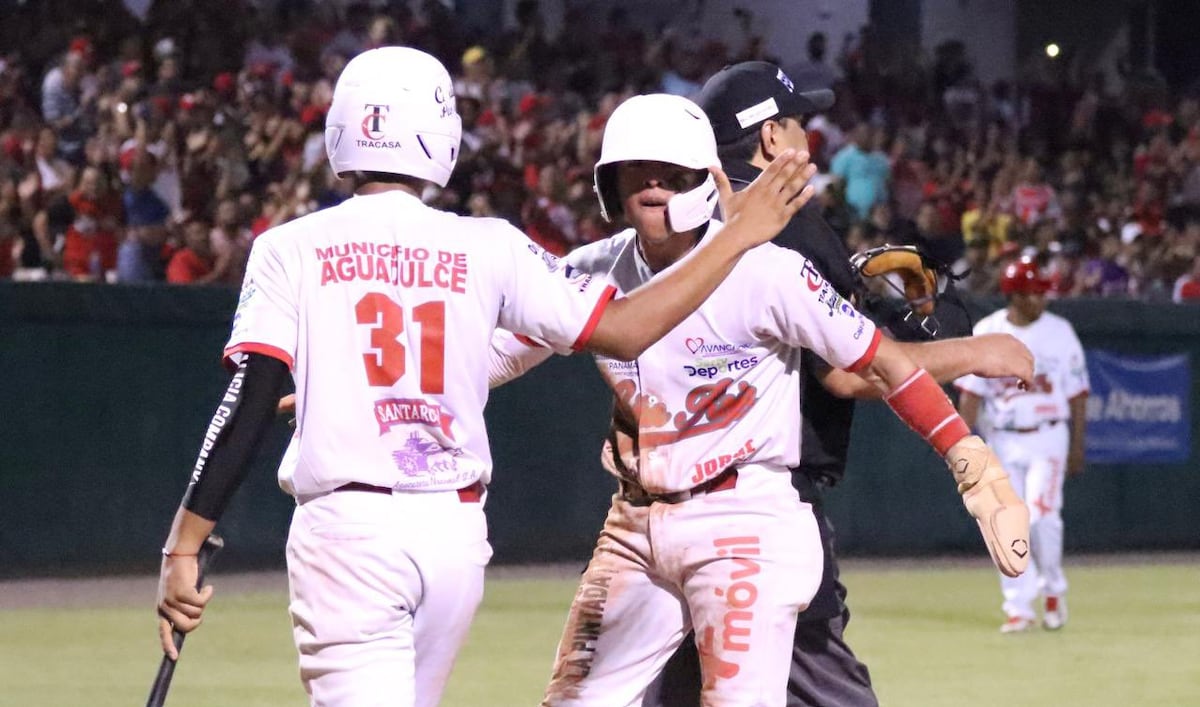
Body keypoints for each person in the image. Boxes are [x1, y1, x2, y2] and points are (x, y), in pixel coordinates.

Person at [153, 46, 820, 707]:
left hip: (348, 530)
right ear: (440, 134)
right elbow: (625, 328)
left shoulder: (288, 247)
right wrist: (734, 238)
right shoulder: (491, 244)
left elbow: (249, 399)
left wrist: (185, 543)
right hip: (453, 533)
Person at [488, 92, 1031, 706]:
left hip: (744, 519)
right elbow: (492, 359)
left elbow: (882, 364)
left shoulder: (770, 270)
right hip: (634, 525)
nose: (654, 184)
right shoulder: (591, 268)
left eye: (672, 171)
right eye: (635, 170)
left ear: (706, 178)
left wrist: (973, 464)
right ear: (608, 184)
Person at [641, 60, 1021, 707]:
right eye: (797, 123)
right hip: (758, 504)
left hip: (657, 509)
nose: (807, 138)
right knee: (824, 686)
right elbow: (848, 370)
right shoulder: (787, 222)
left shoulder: (675, 223)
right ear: (769, 138)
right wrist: (976, 351)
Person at [956, 257, 1089, 633]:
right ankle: (1018, 607)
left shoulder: (1059, 331)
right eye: (1033, 292)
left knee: (1042, 516)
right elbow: (971, 395)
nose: (1041, 298)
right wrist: (961, 448)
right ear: (1014, 295)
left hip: (1049, 435)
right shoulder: (989, 331)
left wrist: (1078, 445)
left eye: (1042, 292)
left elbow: (1078, 394)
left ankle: (1052, 590)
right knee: (1005, 522)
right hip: (1001, 437)